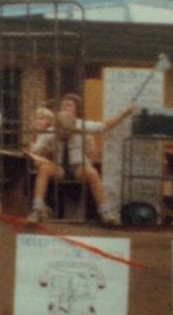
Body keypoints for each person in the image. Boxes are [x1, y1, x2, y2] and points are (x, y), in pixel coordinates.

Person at [27, 94, 135, 225]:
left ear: (76, 109)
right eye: (62, 105)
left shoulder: (83, 125)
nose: (64, 107)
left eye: (69, 105)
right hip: (60, 167)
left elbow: (105, 126)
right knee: (44, 169)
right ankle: (37, 209)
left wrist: (125, 113)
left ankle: (105, 212)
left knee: (92, 173)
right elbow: (35, 151)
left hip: (78, 166)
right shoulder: (52, 129)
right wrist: (36, 142)